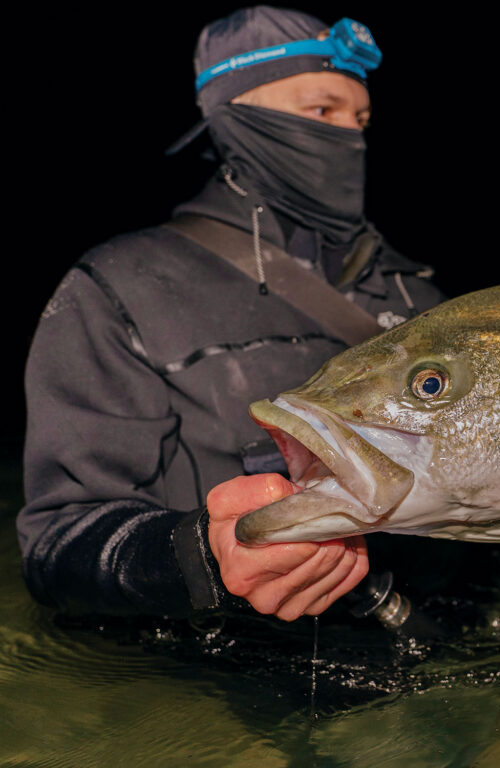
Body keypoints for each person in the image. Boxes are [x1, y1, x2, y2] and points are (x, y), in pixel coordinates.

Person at [17, 7, 446, 622]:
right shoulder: (121, 286)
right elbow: (58, 542)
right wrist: (201, 557)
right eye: (322, 111)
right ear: (238, 114)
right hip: (235, 666)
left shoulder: (413, 292)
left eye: (360, 120)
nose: (349, 138)